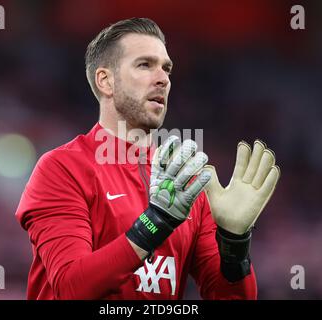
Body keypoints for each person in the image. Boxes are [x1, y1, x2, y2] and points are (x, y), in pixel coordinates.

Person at [15, 17, 280, 300]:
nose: (163, 78)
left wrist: (234, 243)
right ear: (106, 81)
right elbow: (71, 287)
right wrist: (156, 222)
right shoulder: (62, 168)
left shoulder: (187, 181)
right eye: (145, 65)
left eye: (166, 69)